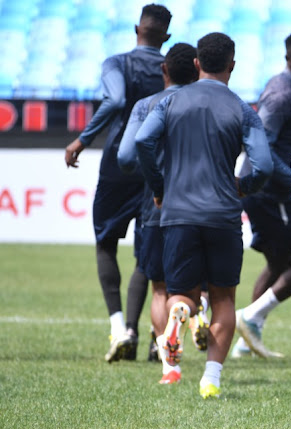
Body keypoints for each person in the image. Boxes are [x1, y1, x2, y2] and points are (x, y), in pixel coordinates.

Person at [135, 32, 274, 397]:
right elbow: (263, 165)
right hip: (223, 214)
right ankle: (211, 378)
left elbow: (142, 141)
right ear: (232, 65)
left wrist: (159, 187)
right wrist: (242, 186)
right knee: (224, 298)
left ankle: (179, 320)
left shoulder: (170, 102)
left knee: (180, 293)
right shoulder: (243, 109)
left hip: (177, 212)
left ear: (196, 64)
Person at [64, 4, 172, 362]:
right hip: (154, 164)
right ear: (167, 37)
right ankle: (148, 334)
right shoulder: (168, 69)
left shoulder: (116, 63)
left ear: (136, 29)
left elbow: (114, 99)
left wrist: (82, 139)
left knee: (106, 242)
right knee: (146, 253)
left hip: (117, 164)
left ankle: (120, 329)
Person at [231, 30, 291, 360]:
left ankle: (246, 341)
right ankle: (250, 318)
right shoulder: (281, 93)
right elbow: (260, 147)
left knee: (279, 262)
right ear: (288, 59)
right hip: (268, 193)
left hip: (273, 191)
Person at [117, 42, 199, 379]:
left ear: (163, 71)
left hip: (156, 204)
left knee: (160, 286)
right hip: (197, 204)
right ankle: (182, 331)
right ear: (197, 70)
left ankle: (164, 356)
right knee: (193, 287)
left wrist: (153, 177)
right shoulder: (202, 104)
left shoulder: (146, 105)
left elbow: (125, 158)